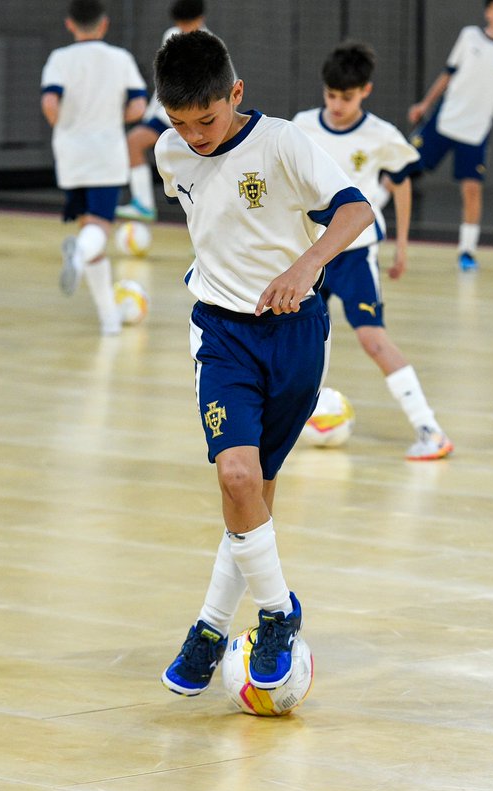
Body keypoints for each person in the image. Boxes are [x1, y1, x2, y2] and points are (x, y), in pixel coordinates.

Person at [152, 30, 374, 696]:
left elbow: (356, 210)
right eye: (179, 122)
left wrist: (306, 265)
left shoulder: (282, 144)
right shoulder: (171, 154)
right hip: (223, 335)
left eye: (207, 119)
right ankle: (280, 613)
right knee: (237, 473)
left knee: (252, 496)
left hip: (295, 334)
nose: (193, 135)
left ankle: (212, 624)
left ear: (236, 94)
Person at [293, 43, 453, 461]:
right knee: (305, 339)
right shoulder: (301, 127)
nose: (336, 104)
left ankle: (429, 428)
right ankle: (297, 419)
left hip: (356, 253)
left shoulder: (381, 135)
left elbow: (400, 185)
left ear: (365, 90)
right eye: (330, 95)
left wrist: (401, 245)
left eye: (346, 97)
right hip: (312, 254)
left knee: (373, 339)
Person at [407, 0, 493, 272]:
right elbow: (448, 73)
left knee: (471, 189)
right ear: (488, 12)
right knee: (402, 168)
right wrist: (424, 104)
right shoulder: (469, 37)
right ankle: (364, 227)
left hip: (476, 130)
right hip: (445, 121)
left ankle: (467, 251)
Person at [41, 0, 147, 336]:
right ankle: (77, 256)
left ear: (70, 25)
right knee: (99, 228)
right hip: (106, 153)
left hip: (71, 155)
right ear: (104, 25)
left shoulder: (59, 59)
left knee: (90, 225)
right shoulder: (120, 59)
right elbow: (139, 106)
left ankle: (109, 319)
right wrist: (113, 119)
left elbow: (49, 102)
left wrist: (68, 128)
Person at [115, 0, 208, 222]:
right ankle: (144, 205)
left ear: (201, 19)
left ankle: (206, 227)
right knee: (134, 142)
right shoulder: (171, 36)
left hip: (195, 119)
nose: (184, 29)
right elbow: (163, 82)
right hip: (167, 115)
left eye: (189, 23)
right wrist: (149, 113)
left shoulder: (211, 45)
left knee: (201, 171)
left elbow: (227, 85)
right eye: (181, 23)